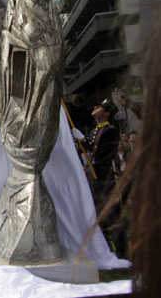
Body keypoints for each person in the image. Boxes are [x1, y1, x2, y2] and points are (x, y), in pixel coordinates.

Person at [72, 98, 125, 257]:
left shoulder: (111, 131)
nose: (95, 107)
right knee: (97, 217)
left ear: (107, 113)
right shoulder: (93, 132)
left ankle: (121, 251)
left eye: (100, 107)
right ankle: (105, 250)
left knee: (112, 216)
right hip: (93, 180)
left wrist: (83, 140)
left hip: (105, 180)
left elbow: (100, 152)